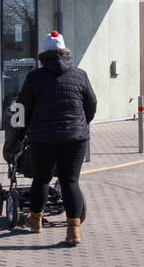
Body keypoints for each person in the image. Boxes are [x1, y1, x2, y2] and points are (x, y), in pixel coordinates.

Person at [17, 31, 97, 246]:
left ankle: (35, 221)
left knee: (41, 180)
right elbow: (91, 105)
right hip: (76, 138)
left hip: (43, 138)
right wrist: (81, 123)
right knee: (70, 181)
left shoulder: (34, 77)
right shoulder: (80, 75)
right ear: (65, 51)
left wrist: (24, 130)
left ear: (45, 53)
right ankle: (73, 232)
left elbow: (22, 108)